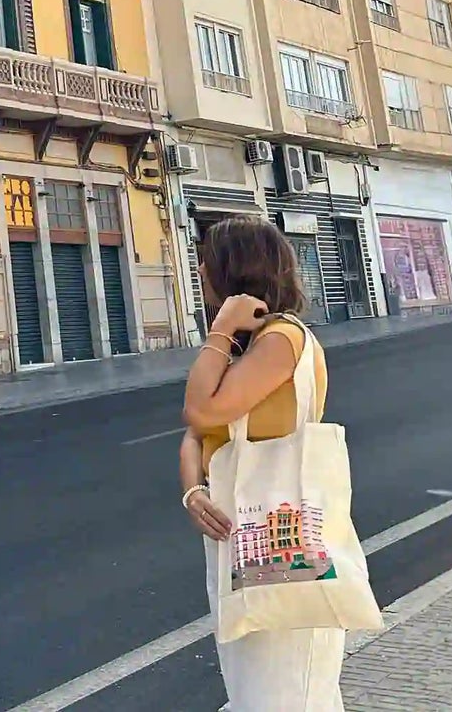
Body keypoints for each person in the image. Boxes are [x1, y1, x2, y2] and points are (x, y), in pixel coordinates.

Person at [177, 215, 339, 711]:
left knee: (284, 686)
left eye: (208, 261)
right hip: (241, 531)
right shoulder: (249, 347)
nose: (200, 270)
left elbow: (200, 409)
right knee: (253, 680)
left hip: (282, 528)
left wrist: (221, 328)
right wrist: (193, 491)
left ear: (235, 272)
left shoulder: (281, 340)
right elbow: (196, 434)